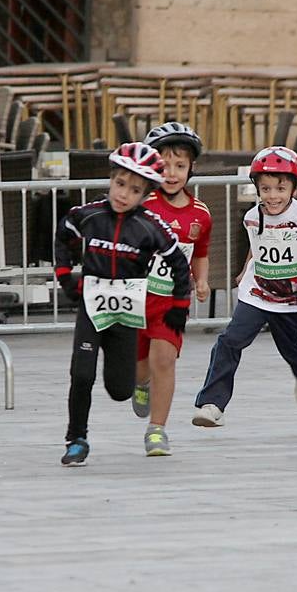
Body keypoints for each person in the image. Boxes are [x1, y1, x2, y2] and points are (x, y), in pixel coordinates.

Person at [54, 142, 192, 467]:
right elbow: (64, 235)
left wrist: (178, 308)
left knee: (119, 389)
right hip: (92, 307)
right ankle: (77, 438)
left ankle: (136, 385)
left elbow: (179, 265)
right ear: (110, 180)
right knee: (81, 374)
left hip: (127, 314)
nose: (123, 194)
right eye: (119, 184)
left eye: (134, 190)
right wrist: (65, 276)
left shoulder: (150, 226)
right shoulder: (88, 215)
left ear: (145, 195)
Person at [191, 146, 297, 427]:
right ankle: (212, 404)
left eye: (280, 189)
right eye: (266, 189)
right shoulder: (252, 216)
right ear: (257, 189)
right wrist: (244, 271)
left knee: (293, 351)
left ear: (294, 189)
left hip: (294, 300)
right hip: (257, 294)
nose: (273, 196)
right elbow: (257, 245)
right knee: (229, 341)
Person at [131, 122, 212, 456]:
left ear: (191, 168)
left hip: (172, 302)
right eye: (165, 166)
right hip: (135, 299)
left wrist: (202, 279)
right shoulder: (141, 205)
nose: (173, 173)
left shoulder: (200, 215)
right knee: (139, 365)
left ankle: (157, 429)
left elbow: (201, 251)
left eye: (181, 166)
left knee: (164, 358)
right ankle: (141, 384)